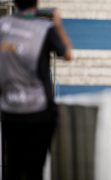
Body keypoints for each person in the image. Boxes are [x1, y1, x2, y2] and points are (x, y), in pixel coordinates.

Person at [0, 0, 72, 179]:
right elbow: (68, 54)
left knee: (13, 165)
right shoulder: (44, 28)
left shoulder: (3, 25)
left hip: (10, 106)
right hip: (39, 108)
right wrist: (58, 25)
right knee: (35, 167)